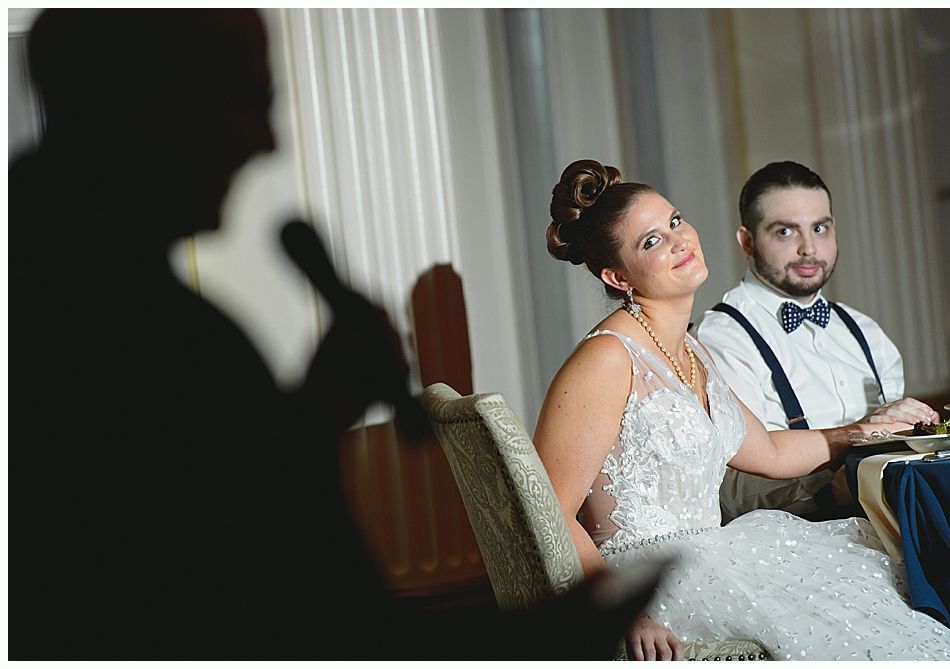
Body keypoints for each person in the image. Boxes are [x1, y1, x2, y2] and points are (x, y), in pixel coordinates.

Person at [10, 11, 650, 659]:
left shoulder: (117, 299)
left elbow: (225, 520)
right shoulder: (147, 332)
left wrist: (314, 414)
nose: (265, 143)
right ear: (148, 104)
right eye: (246, 101)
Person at [533, 159, 950, 660]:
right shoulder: (608, 357)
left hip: (713, 553)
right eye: (651, 241)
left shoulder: (688, 349)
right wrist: (626, 610)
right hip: (649, 576)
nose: (679, 241)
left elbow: (768, 451)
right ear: (617, 276)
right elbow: (549, 509)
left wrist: (862, 430)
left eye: (675, 221)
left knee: (898, 589)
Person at [692, 161, 938, 522]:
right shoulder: (723, 337)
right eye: (785, 232)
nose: (809, 248)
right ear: (747, 241)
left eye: (820, 228)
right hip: (793, 546)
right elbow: (733, 493)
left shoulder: (865, 331)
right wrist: (858, 444)